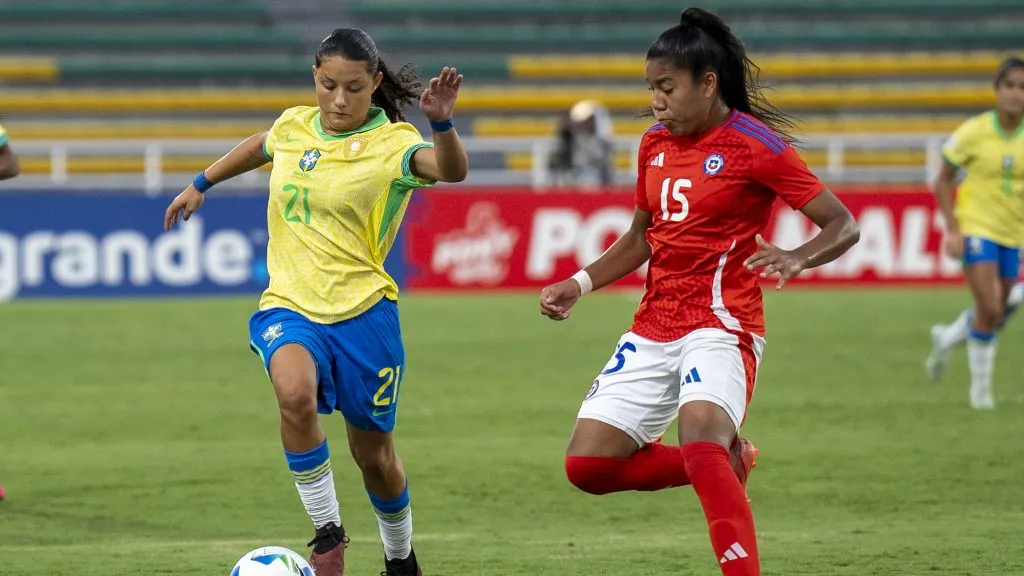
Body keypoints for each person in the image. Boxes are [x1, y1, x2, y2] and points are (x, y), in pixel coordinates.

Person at [539, 9, 859, 576]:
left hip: (722, 323)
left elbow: (842, 223)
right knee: (587, 466)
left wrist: (797, 257)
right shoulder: (653, 144)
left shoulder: (756, 146)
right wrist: (579, 283)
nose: (656, 101)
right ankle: (731, 460)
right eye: (651, 89)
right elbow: (641, 237)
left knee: (702, 438)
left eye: (666, 88)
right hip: (653, 324)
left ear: (707, 83)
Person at [163, 28, 468, 576]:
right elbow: (261, 144)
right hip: (289, 306)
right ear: (315, 78)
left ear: (374, 84)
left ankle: (401, 560)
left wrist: (441, 123)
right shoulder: (294, 124)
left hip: (365, 316)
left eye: (354, 88)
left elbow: (451, 171)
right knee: (294, 395)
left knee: (374, 458)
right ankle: (328, 532)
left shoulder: (394, 144)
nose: (339, 100)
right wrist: (200, 184)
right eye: (328, 85)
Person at [925, 56, 1024, 409]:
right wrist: (952, 228)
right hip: (977, 226)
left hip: (1014, 234)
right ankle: (980, 393)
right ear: (997, 91)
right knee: (991, 304)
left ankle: (948, 337)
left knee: (996, 312)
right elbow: (942, 179)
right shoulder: (975, 131)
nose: (1016, 94)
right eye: (1009, 86)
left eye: (1022, 88)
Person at [546, 99, 614, 189]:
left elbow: (601, 157)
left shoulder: (600, 139)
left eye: (590, 121)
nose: (589, 123)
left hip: (594, 175)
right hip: (576, 175)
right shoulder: (573, 138)